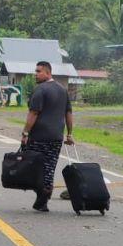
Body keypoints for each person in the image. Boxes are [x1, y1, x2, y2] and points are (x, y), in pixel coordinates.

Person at [20, 61, 74, 212]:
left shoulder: (40, 90)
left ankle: (42, 196)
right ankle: (44, 197)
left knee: (35, 167)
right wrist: (69, 134)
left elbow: (34, 113)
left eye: (38, 71)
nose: (35, 74)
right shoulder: (63, 90)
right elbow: (68, 113)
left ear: (48, 73)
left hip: (39, 137)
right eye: (35, 71)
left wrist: (25, 133)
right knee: (49, 167)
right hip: (56, 138)